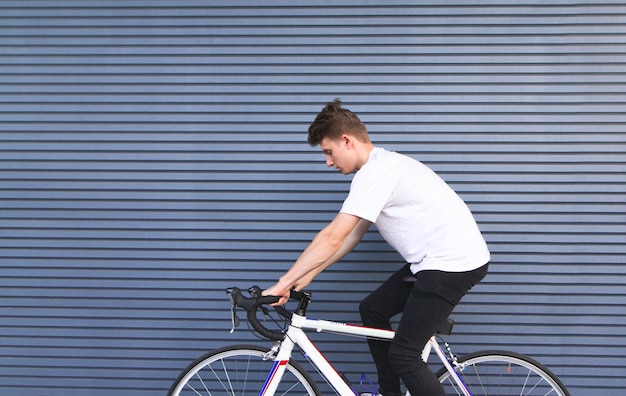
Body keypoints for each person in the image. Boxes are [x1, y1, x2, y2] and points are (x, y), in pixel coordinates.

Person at [263, 99, 490, 396]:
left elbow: (333, 236)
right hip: (433, 261)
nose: (328, 162)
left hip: (451, 264)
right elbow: (350, 237)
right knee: (372, 309)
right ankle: (389, 392)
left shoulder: (376, 173)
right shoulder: (378, 169)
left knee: (405, 356)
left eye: (328, 152)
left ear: (346, 140)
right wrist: (305, 278)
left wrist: (281, 284)